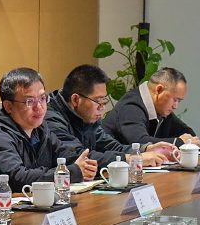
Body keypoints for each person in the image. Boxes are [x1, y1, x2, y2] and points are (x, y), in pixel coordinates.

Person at [0, 67, 98, 200]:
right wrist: (73, 172)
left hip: (29, 206)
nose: (39, 107)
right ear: (8, 106)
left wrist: (86, 166)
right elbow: (19, 179)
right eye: (30, 101)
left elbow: (66, 156)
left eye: (42, 98)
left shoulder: (40, 129)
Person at [44, 64, 176, 169]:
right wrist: (131, 159)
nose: (102, 108)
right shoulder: (51, 118)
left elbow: (111, 146)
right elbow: (78, 157)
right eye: (98, 101)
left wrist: (146, 149)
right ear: (75, 100)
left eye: (104, 101)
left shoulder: (87, 116)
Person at [101, 67, 199, 149]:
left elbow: (188, 134)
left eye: (179, 101)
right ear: (159, 90)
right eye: (175, 100)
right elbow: (140, 142)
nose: (175, 106)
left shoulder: (160, 109)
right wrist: (179, 142)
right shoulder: (131, 106)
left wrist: (188, 141)